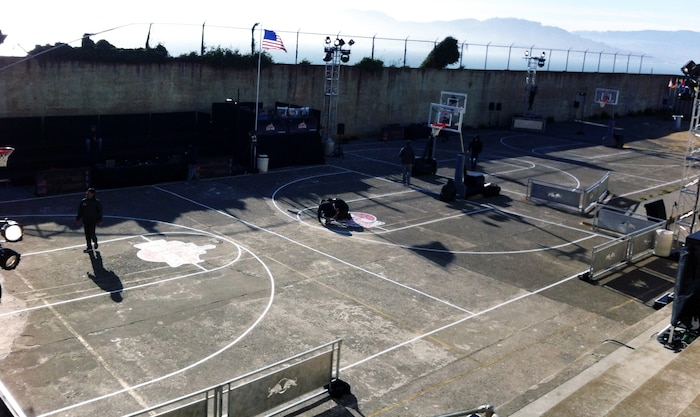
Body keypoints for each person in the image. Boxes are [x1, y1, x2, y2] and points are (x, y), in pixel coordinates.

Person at [76, 188, 103, 253]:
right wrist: (78, 218)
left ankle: (95, 241)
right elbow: (80, 211)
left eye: (88, 193)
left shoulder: (96, 202)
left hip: (93, 221)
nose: (87, 194)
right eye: (87, 193)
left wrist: (99, 220)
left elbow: (100, 211)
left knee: (92, 233)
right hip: (85, 221)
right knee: (87, 235)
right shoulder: (83, 201)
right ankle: (89, 247)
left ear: (92, 194)